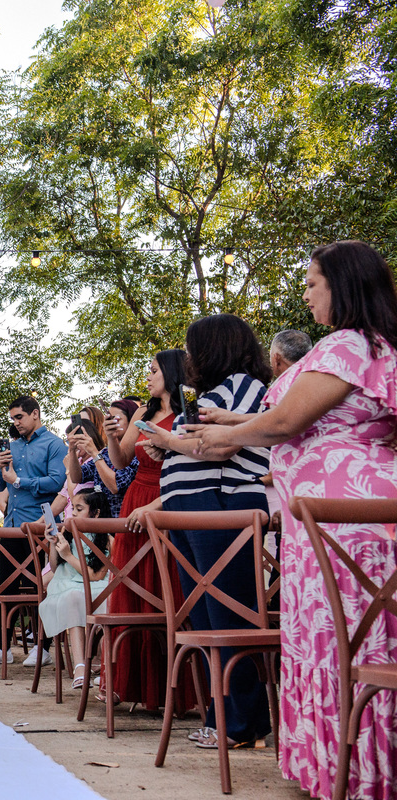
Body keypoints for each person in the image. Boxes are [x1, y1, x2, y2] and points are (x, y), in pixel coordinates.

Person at [187, 241, 397, 799]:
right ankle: (359, 764)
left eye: (312, 283)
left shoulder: (349, 344)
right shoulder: (375, 347)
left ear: (344, 285)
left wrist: (222, 437)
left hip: (340, 520)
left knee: (344, 641)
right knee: (362, 640)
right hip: (347, 514)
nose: (305, 293)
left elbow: (284, 422)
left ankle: (351, 771)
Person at [137, 314, 274, 751]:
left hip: (219, 506)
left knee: (229, 615)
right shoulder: (212, 394)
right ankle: (227, 718)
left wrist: (171, 442)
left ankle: (239, 724)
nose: (190, 359)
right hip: (190, 510)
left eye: (195, 348)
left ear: (218, 347)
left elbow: (216, 448)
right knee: (205, 615)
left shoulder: (245, 386)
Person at [105, 349, 194, 711]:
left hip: (168, 498)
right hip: (135, 500)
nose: (148, 376)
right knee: (133, 588)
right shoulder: (144, 412)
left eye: (153, 370)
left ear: (170, 372)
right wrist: (111, 436)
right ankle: (140, 690)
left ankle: (178, 691)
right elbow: (122, 460)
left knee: (167, 588)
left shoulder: (190, 411)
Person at [0, 395, 67, 667]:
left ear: (35, 414)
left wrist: (20, 480)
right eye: (12, 418)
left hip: (42, 527)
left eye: (20, 417)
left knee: (44, 589)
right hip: (12, 527)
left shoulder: (55, 444)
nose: (15, 423)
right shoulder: (12, 447)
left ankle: (44, 647)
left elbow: (57, 482)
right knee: (5, 586)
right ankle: (2, 647)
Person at [39, 489, 110, 690]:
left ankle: (104, 666)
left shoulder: (106, 539)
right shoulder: (68, 532)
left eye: (80, 509)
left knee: (106, 600)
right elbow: (54, 567)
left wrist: (70, 556)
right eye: (73, 509)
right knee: (73, 598)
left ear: (96, 513)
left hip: (96, 586)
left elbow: (96, 576)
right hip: (67, 585)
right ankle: (80, 667)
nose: (74, 514)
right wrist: (53, 545)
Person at [64, 415, 136, 518]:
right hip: (102, 523)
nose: (111, 423)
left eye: (116, 419)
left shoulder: (133, 454)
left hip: (123, 520)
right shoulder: (105, 453)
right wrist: (71, 450)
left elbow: (115, 487)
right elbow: (77, 477)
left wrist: (93, 452)